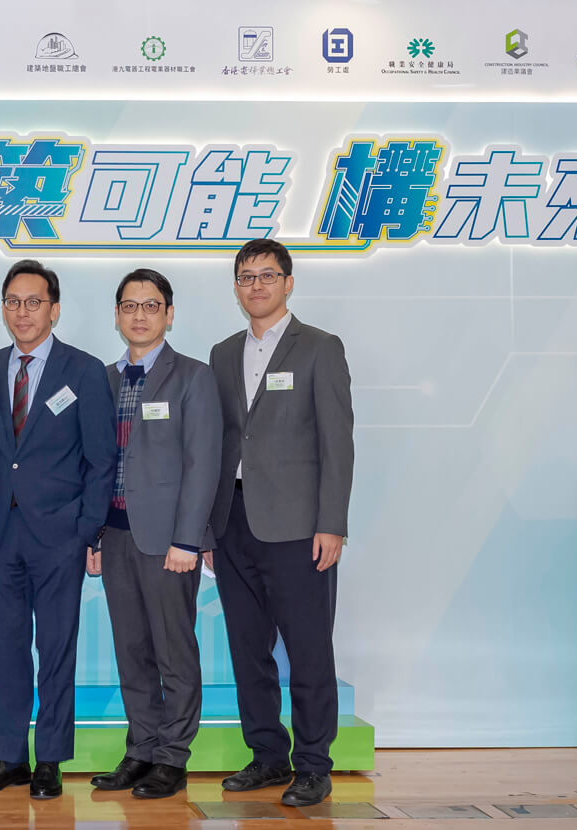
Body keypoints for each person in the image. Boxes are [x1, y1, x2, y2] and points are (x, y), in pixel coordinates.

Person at [205, 238, 354, 807]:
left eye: (267, 275)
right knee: (248, 647)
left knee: (309, 649)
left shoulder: (319, 348)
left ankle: (314, 763)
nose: (256, 285)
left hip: (298, 527)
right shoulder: (222, 353)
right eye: (245, 276)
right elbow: (220, 442)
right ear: (236, 287)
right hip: (233, 521)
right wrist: (208, 529)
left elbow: (337, 444)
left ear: (288, 282)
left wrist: (332, 523)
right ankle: (267, 754)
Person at [0, 259, 116, 799]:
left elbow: (102, 460)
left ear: (54, 309)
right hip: (0, 534)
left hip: (60, 536)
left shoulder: (84, 370)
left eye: (33, 302)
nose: (22, 312)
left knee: (56, 649)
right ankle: (10, 756)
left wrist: (86, 530)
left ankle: (49, 757)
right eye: (12, 301)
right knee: (5, 649)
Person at [87, 268, 222, 799]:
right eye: (129, 306)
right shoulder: (103, 378)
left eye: (150, 305)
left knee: (174, 653)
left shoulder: (193, 376)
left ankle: (172, 757)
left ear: (169, 314)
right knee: (131, 650)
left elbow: (203, 462)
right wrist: (93, 535)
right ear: (117, 315)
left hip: (168, 542)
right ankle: (141, 749)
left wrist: (188, 540)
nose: (139, 315)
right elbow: (95, 463)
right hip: (116, 536)